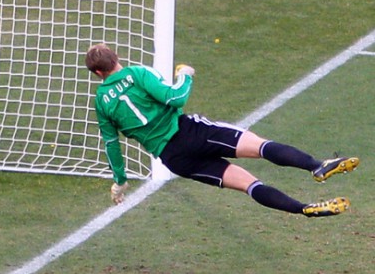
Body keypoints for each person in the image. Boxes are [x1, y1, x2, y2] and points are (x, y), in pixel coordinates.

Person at [85, 43, 359, 217]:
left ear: (98, 74)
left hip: (173, 158)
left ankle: (304, 209)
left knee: (249, 185)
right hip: (190, 132)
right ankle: (316, 166)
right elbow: (175, 98)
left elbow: (112, 145)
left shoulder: (101, 103)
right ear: (116, 58)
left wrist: (120, 182)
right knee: (261, 147)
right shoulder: (138, 74)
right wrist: (185, 75)